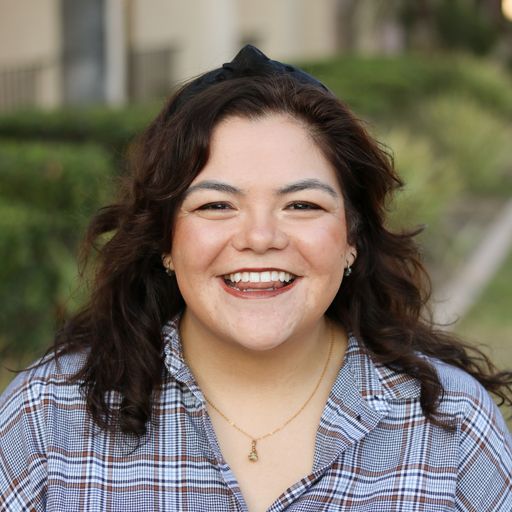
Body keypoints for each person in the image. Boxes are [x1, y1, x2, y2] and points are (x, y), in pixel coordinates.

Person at [1, 45, 511, 512]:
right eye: (217, 205)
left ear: (352, 237)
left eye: (302, 205)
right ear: (165, 241)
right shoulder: (46, 421)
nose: (260, 237)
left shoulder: (453, 428)